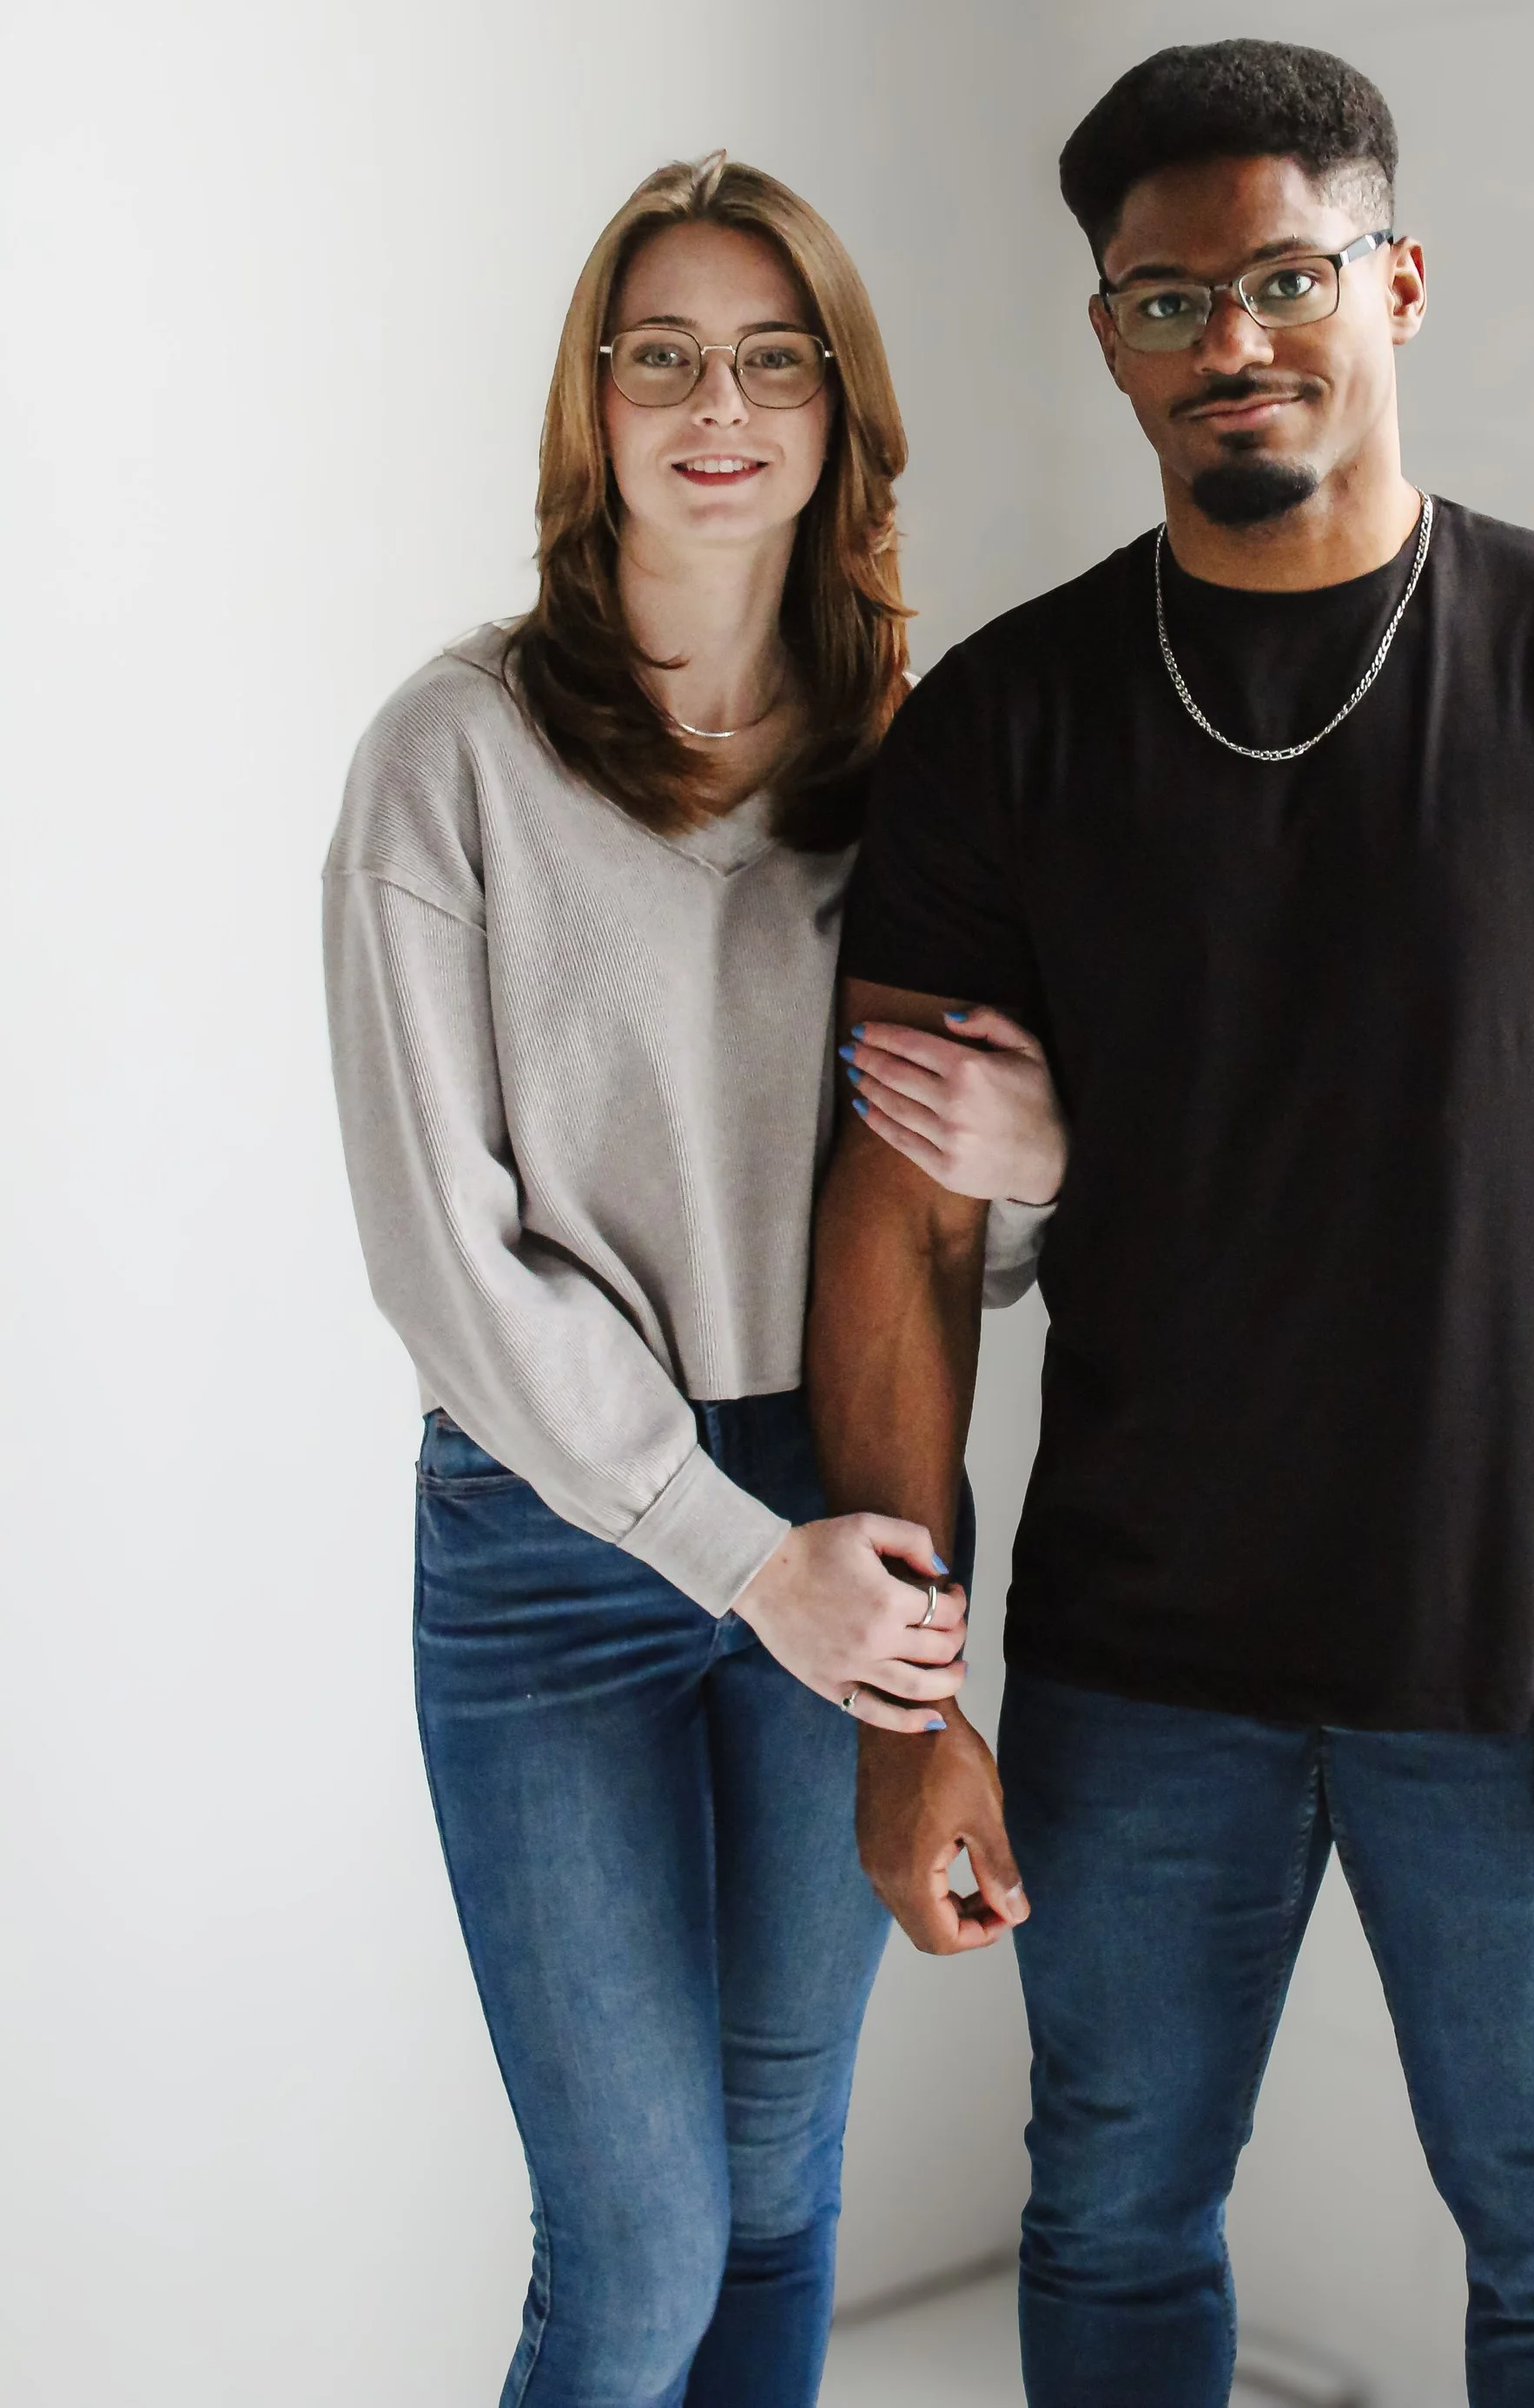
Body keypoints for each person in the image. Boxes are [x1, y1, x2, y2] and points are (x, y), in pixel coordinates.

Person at [808, 43, 1534, 2408]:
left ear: (1392, 282)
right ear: (1108, 339)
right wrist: (909, 1701)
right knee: (1104, 2201)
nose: (1230, 341)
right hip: (1130, 1656)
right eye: (1165, 299)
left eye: (1284, 277)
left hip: (1509, 1657)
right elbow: (884, 1226)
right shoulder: (1005, 721)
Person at [322, 154, 1068, 2408]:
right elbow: (443, 1258)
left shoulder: (925, 773)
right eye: (660, 355)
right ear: (594, 408)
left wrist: (1044, 1169)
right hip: (561, 1531)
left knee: (771, 2187)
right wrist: (744, 1561)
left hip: (843, 1499)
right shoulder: (447, 761)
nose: (713, 404)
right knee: (639, 2236)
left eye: (769, 357)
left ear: (837, 413)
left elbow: (959, 1217)